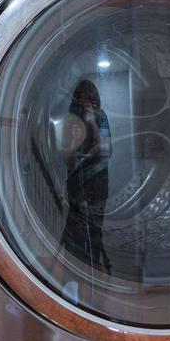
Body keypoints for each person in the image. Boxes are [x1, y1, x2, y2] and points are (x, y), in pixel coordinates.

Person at [58, 78, 113, 276]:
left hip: (98, 181)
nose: (85, 104)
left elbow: (107, 151)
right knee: (74, 227)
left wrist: (91, 123)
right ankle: (73, 273)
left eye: (89, 100)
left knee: (96, 228)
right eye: (81, 100)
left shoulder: (101, 116)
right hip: (76, 180)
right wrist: (74, 138)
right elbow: (66, 157)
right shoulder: (69, 120)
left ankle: (93, 269)